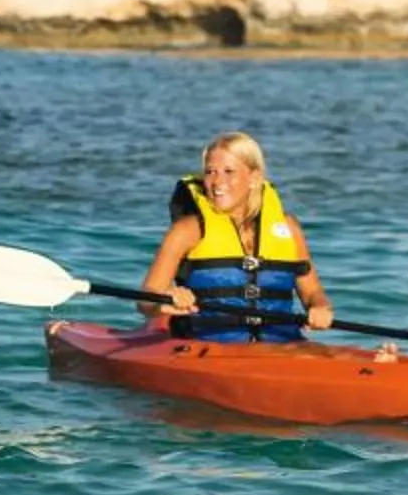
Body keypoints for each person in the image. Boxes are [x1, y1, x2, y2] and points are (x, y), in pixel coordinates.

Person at [140, 132, 335, 342]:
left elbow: (312, 291)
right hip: (206, 349)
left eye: (228, 171)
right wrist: (165, 300)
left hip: (281, 348)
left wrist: (320, 307)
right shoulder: (187, 230)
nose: (216, 182)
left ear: (254, 178)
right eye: (210, 172)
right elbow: (145, 301)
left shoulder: (288, 228)